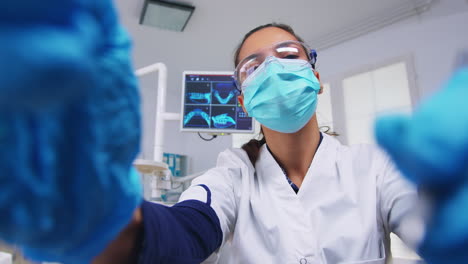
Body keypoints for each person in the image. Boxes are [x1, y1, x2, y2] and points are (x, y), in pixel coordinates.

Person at [95, 23, 423, 264]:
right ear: (243, 102)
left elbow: (432, 226)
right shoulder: (232, 177)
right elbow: (185, 232)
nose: (272, 68)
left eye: (288, 54)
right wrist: (105, 214)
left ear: (315, 79)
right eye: (252, 66)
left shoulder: (375, 168)